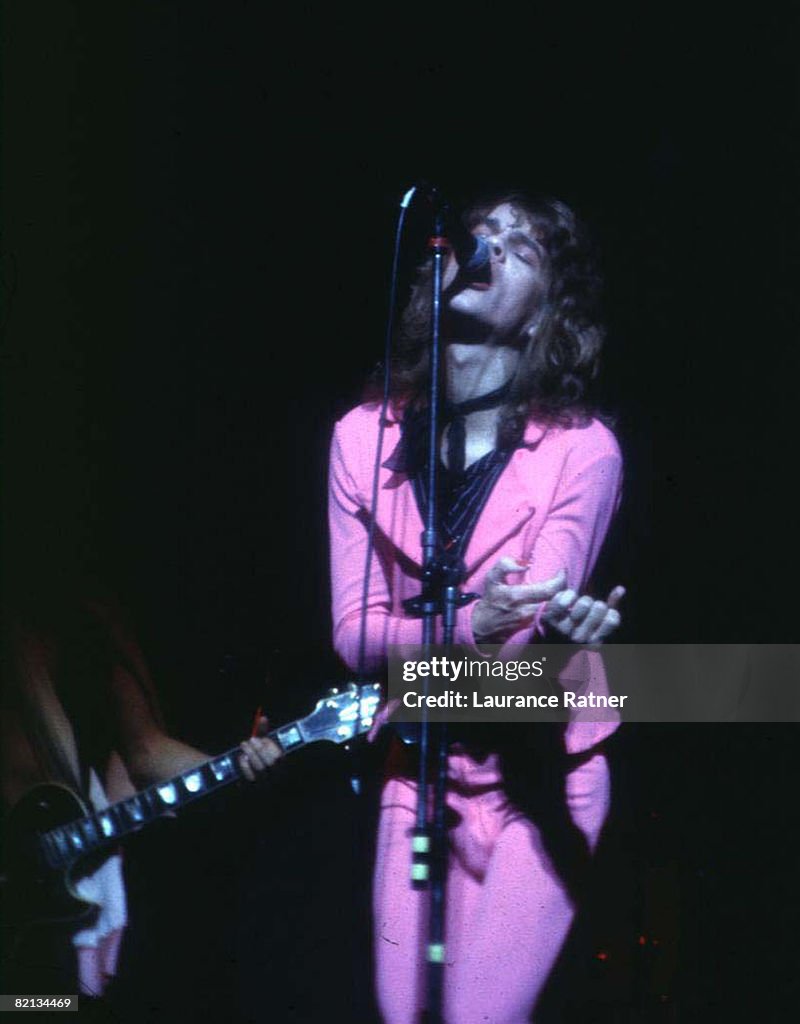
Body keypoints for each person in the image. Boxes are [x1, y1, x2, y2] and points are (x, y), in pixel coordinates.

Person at [329, 193, 624, 1023]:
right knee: (403, 1012)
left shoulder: (582, 450)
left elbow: (521, 632)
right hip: (418, 769)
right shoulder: (362, 438)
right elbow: (352, 632)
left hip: (544, 773)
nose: (485, 250)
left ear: (544, 319)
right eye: (479, 236)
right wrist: (465, 627)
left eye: (519, 249)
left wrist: (548, 632)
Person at [1, 586, 281, 999]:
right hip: (27, 905)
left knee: (68, 1005)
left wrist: (241, 766)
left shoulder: (90, 613)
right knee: (27, 1006)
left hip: (75, 887)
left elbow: (145, 751)